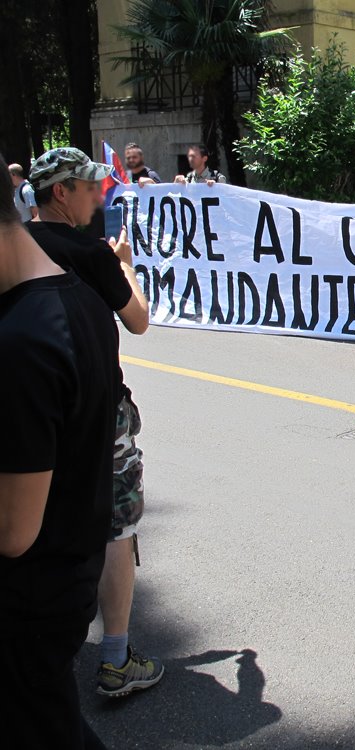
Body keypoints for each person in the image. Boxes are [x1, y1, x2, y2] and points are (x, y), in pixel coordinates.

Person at [26, 147, 164, 698]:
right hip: (98, 411)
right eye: (88, 187)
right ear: (61, 193)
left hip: (35, 405)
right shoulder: (92, 251)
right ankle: (116, 657)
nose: (99, 194)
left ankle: (37, 646)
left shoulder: (18, 247)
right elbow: (138, 320)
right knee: (118, 525)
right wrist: (126, 265)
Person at [0, 153, 117, 749]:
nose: (99, 198)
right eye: (93, 190)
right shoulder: (80, 296)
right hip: (68, 575)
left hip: (29, 601)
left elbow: (12, 531)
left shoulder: (22, 342)